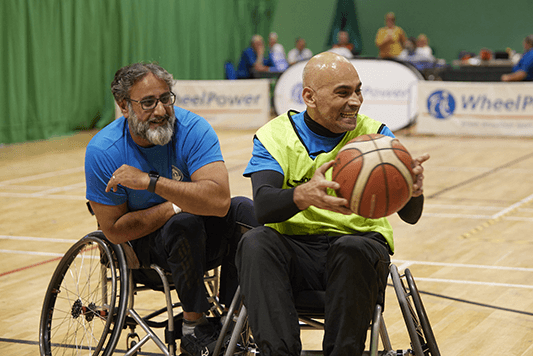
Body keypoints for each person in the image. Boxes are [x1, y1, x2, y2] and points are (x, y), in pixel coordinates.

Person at [236, 52, 429, 356]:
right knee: (256, 242)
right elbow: (264, 206)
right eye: (343, 92)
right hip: (295, 253)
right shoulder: (276, 136)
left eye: (358, 90)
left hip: (358, 250)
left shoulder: (376, 137)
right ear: (309, 97)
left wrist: (413, 191)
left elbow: (411, 215)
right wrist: (303, 195)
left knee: (350, 249)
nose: (355, 101)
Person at [84, 62, 259, 356]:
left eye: (166, 98)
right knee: (184, 223)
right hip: (145, 253)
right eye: (148, 102)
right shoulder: (104, 151)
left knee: (244, 210)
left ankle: (233, 317)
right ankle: (193, 326)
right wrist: (176, 206)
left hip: (201, 241)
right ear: (124, 106)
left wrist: (150, 183)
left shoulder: (193, 129)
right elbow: (113, 230)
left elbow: (219, 201)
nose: (161, 111)